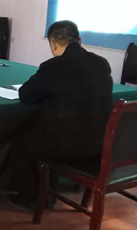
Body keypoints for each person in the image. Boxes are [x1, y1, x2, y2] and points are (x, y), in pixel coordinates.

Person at [7, 20, 113, 210]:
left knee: (21, 142)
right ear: (79, 40)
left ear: (53, 44)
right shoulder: (101, 63)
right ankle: (50, 189)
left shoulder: (53, 66)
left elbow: (26, 95)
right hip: (98, 144)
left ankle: (32, 197)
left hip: (64, 147)